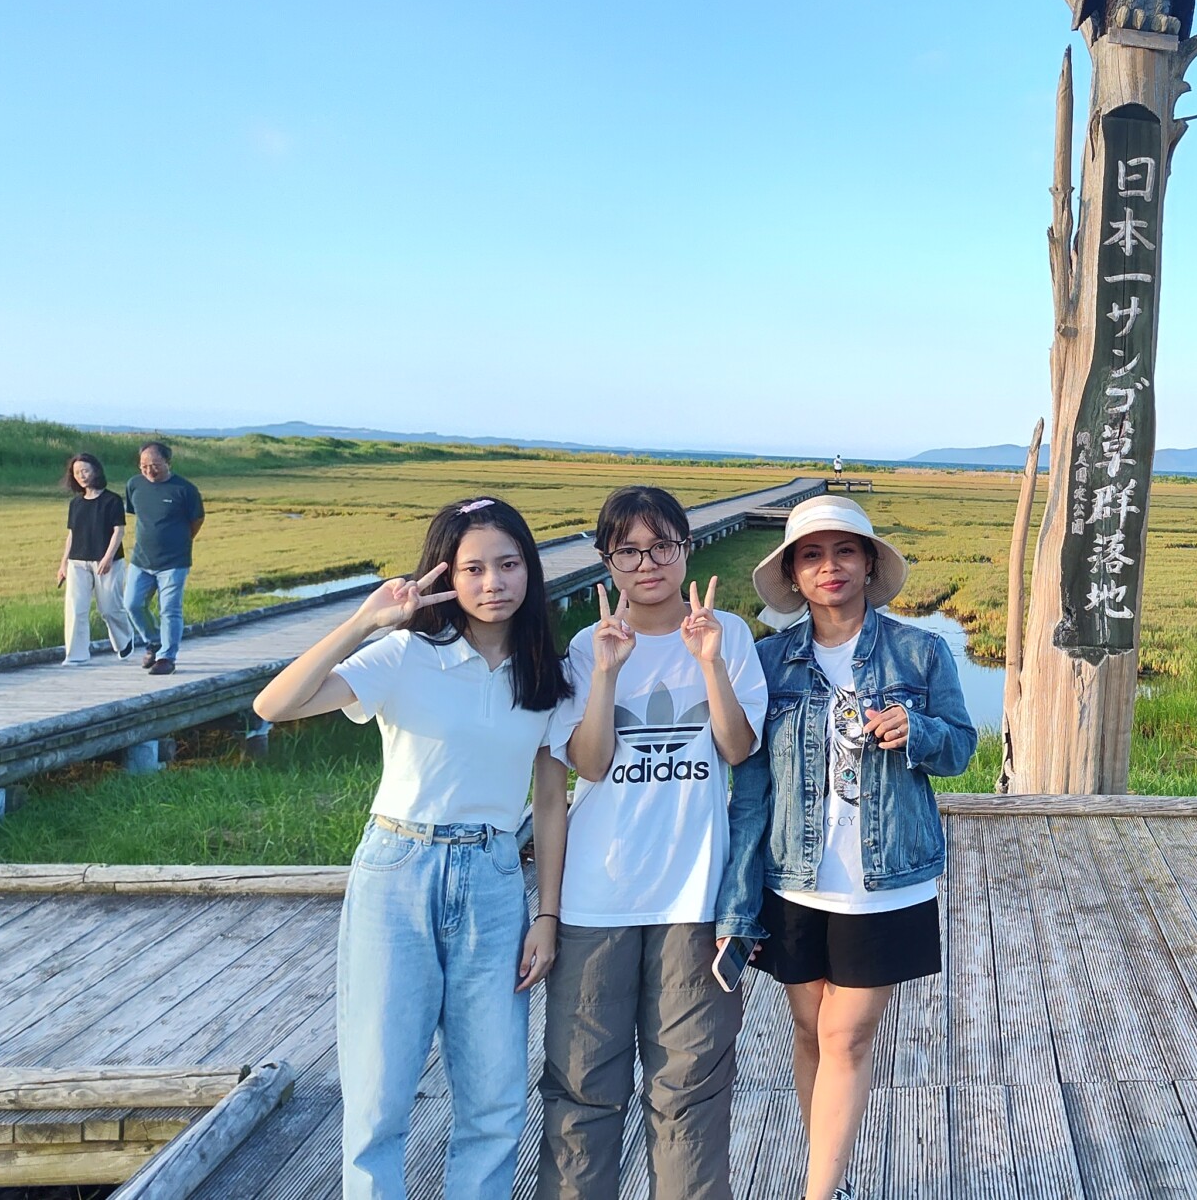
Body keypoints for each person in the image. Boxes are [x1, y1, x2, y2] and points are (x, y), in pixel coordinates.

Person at [252, 496, 571, 1200]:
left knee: (493, 1098)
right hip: (398, 870)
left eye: (509, 564)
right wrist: (364, 620)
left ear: (531, 572)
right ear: (444, 576)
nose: (494, 583)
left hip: (493, 877)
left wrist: (546, 916)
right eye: (474, 568)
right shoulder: (403, 655)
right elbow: (274, 706)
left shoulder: (546, 674)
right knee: (378, 1097)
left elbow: (551, 803)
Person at [534, 486, 766, 1200]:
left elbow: (736, 746)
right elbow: (591, 763)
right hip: (594, 899)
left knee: (690, 1089)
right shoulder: (585, 644)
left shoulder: (727, 632)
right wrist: (605, 672)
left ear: (685, 549)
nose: (648, 564)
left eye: (662, 545)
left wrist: (708, 661)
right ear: (608, 561)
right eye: (628, 550)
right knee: (582, 1088)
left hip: (693, 897)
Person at [740, 495, 975, 1200]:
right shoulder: (766, 660)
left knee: (846, 1036)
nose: (829, 566)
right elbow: (750, 782)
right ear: (793, 574)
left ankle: (816, 1194)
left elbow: (962, 747)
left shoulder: (919, 651)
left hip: (889, 878)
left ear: (870, 563)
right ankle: (832, 1179)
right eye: (811, 555)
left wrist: (922, 733)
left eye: (845, 551)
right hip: (794, 877)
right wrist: (738, 893)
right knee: (810, 1031)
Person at [121, 440, 204, 675]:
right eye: (144, 465)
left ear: (168, 462)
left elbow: (196, 520)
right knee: (132, 604)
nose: (149, 470)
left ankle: (167, 657)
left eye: (155, 465)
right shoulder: (134, 485)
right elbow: (140, 517)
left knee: (169, 609)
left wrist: (181, 541)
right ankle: (153, 641)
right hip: (141, 560)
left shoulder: (185, 489)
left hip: (174, 562)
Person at [55, 453, 133, 664]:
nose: (81, 475)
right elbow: (72, 535)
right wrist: (63, 564)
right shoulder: (76, 504)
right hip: (77, 562)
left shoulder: (112, 500)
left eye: (85, 470)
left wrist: (107, 558)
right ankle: (76, 655)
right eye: (76, 472)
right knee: (75, 608)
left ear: (96, 471)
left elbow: (119, 531)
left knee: (108, 607)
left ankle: (124, 640)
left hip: (107, 562)